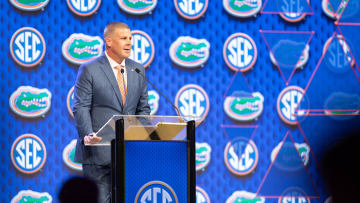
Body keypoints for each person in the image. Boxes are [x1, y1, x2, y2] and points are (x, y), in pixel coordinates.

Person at [72, 22, 150, 203]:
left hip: (129, 154)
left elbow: (143, 109)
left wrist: (144, 137)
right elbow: (81, 106)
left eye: (131, 38)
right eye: (123, 38)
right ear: (108, 41)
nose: (129, 43)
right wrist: (88, 135)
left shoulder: (138, 69)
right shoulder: (90, 69)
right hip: (98, 153)